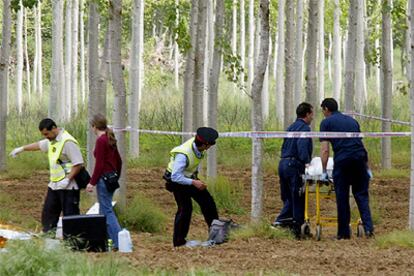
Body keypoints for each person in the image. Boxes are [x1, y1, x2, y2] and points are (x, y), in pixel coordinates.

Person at [9, 118, 83, 233]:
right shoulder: (52, 140)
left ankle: (73, 244)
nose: (46, 137)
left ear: (54, 128)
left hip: (68, 187)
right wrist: (22, 149)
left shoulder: (67, 142)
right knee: (48, 215)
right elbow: (38, 145)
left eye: (46, 134)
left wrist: (67, 180)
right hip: (54, 185)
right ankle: (49, 239)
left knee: (70, 217)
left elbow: (78, 164)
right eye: (44, 135)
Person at [319, 98, 374, 239]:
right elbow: (360, 143)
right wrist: (367, 167)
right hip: (360, 160)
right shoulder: (352, 121)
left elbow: (325, 150)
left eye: (322, 110)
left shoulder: (326, 123)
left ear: (326, 109)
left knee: (342, 197)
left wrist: (324, 171)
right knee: (361, 195)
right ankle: (368, 229)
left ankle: (343, 234)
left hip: (343, 162)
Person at [163, 127, 219, 247]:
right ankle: (179, 242)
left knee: (208, 202)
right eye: (210, 145)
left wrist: (195, 178)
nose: (210, 148)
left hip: (188, 177)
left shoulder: (198, 148)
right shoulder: (183, 154)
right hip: (176, 181)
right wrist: (194, 182)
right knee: (185, 209)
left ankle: (216, 235)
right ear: (205, 145)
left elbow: (192, 165)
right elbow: (175, 176)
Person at [272, 102, 314, 239]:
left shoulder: (290, 127)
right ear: (307, 114)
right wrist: (307, 163)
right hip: (294, 165)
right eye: (312, 114)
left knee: (288, 196)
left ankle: (287, 223)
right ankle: (289, 224)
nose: (312, 117)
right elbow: (302, 149)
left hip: (283, 163)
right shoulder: (305, 129)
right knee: (297, 196)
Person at [86, 114, 122, 250]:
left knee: (107, 210)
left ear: (94, 126)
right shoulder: (110, 138)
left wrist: (92, 182)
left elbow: (99, 165)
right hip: (111, 178)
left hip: (104, 179)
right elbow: (119, 161)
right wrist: (116, 176)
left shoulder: (101, 140)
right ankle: (106, 241)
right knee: (103, 210)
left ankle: (118, 241)